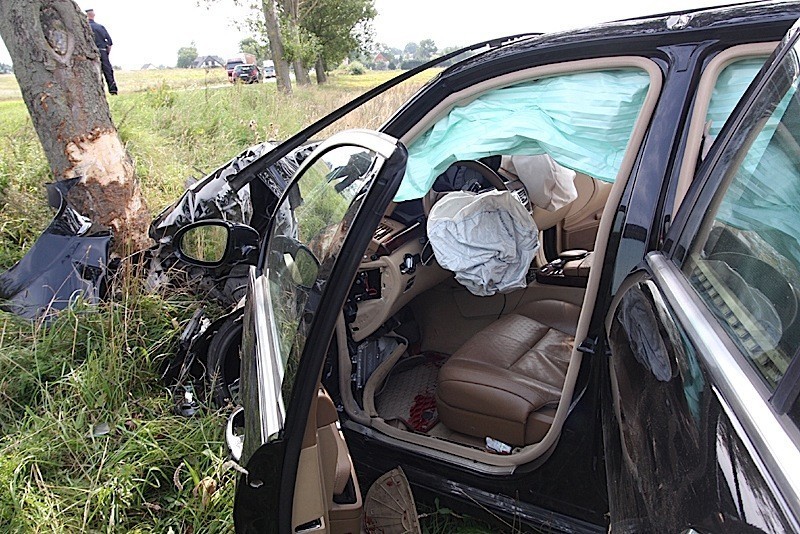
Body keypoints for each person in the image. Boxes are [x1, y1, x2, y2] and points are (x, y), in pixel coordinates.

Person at [85, 9, 118, 95]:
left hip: (89, 53)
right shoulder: (100, 27)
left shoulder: (84, 28)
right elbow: (110, 42)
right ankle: (113, 90)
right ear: (93, 15)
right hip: (102, 51)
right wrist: (106, 54)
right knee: (108, 71)